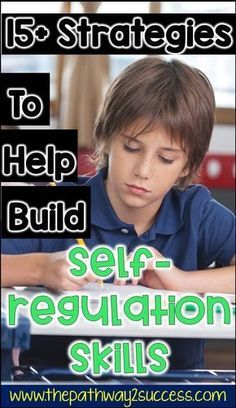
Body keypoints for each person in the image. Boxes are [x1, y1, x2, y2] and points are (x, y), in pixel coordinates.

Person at [2, 57, 235, 372]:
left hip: (171, 392)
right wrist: (42, 268)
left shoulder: (196, 213)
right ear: (106, 137)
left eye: (165, 159)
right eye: (132, 148)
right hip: (62, 389)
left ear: (187, 166)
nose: (143, 171)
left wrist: (181, 281)